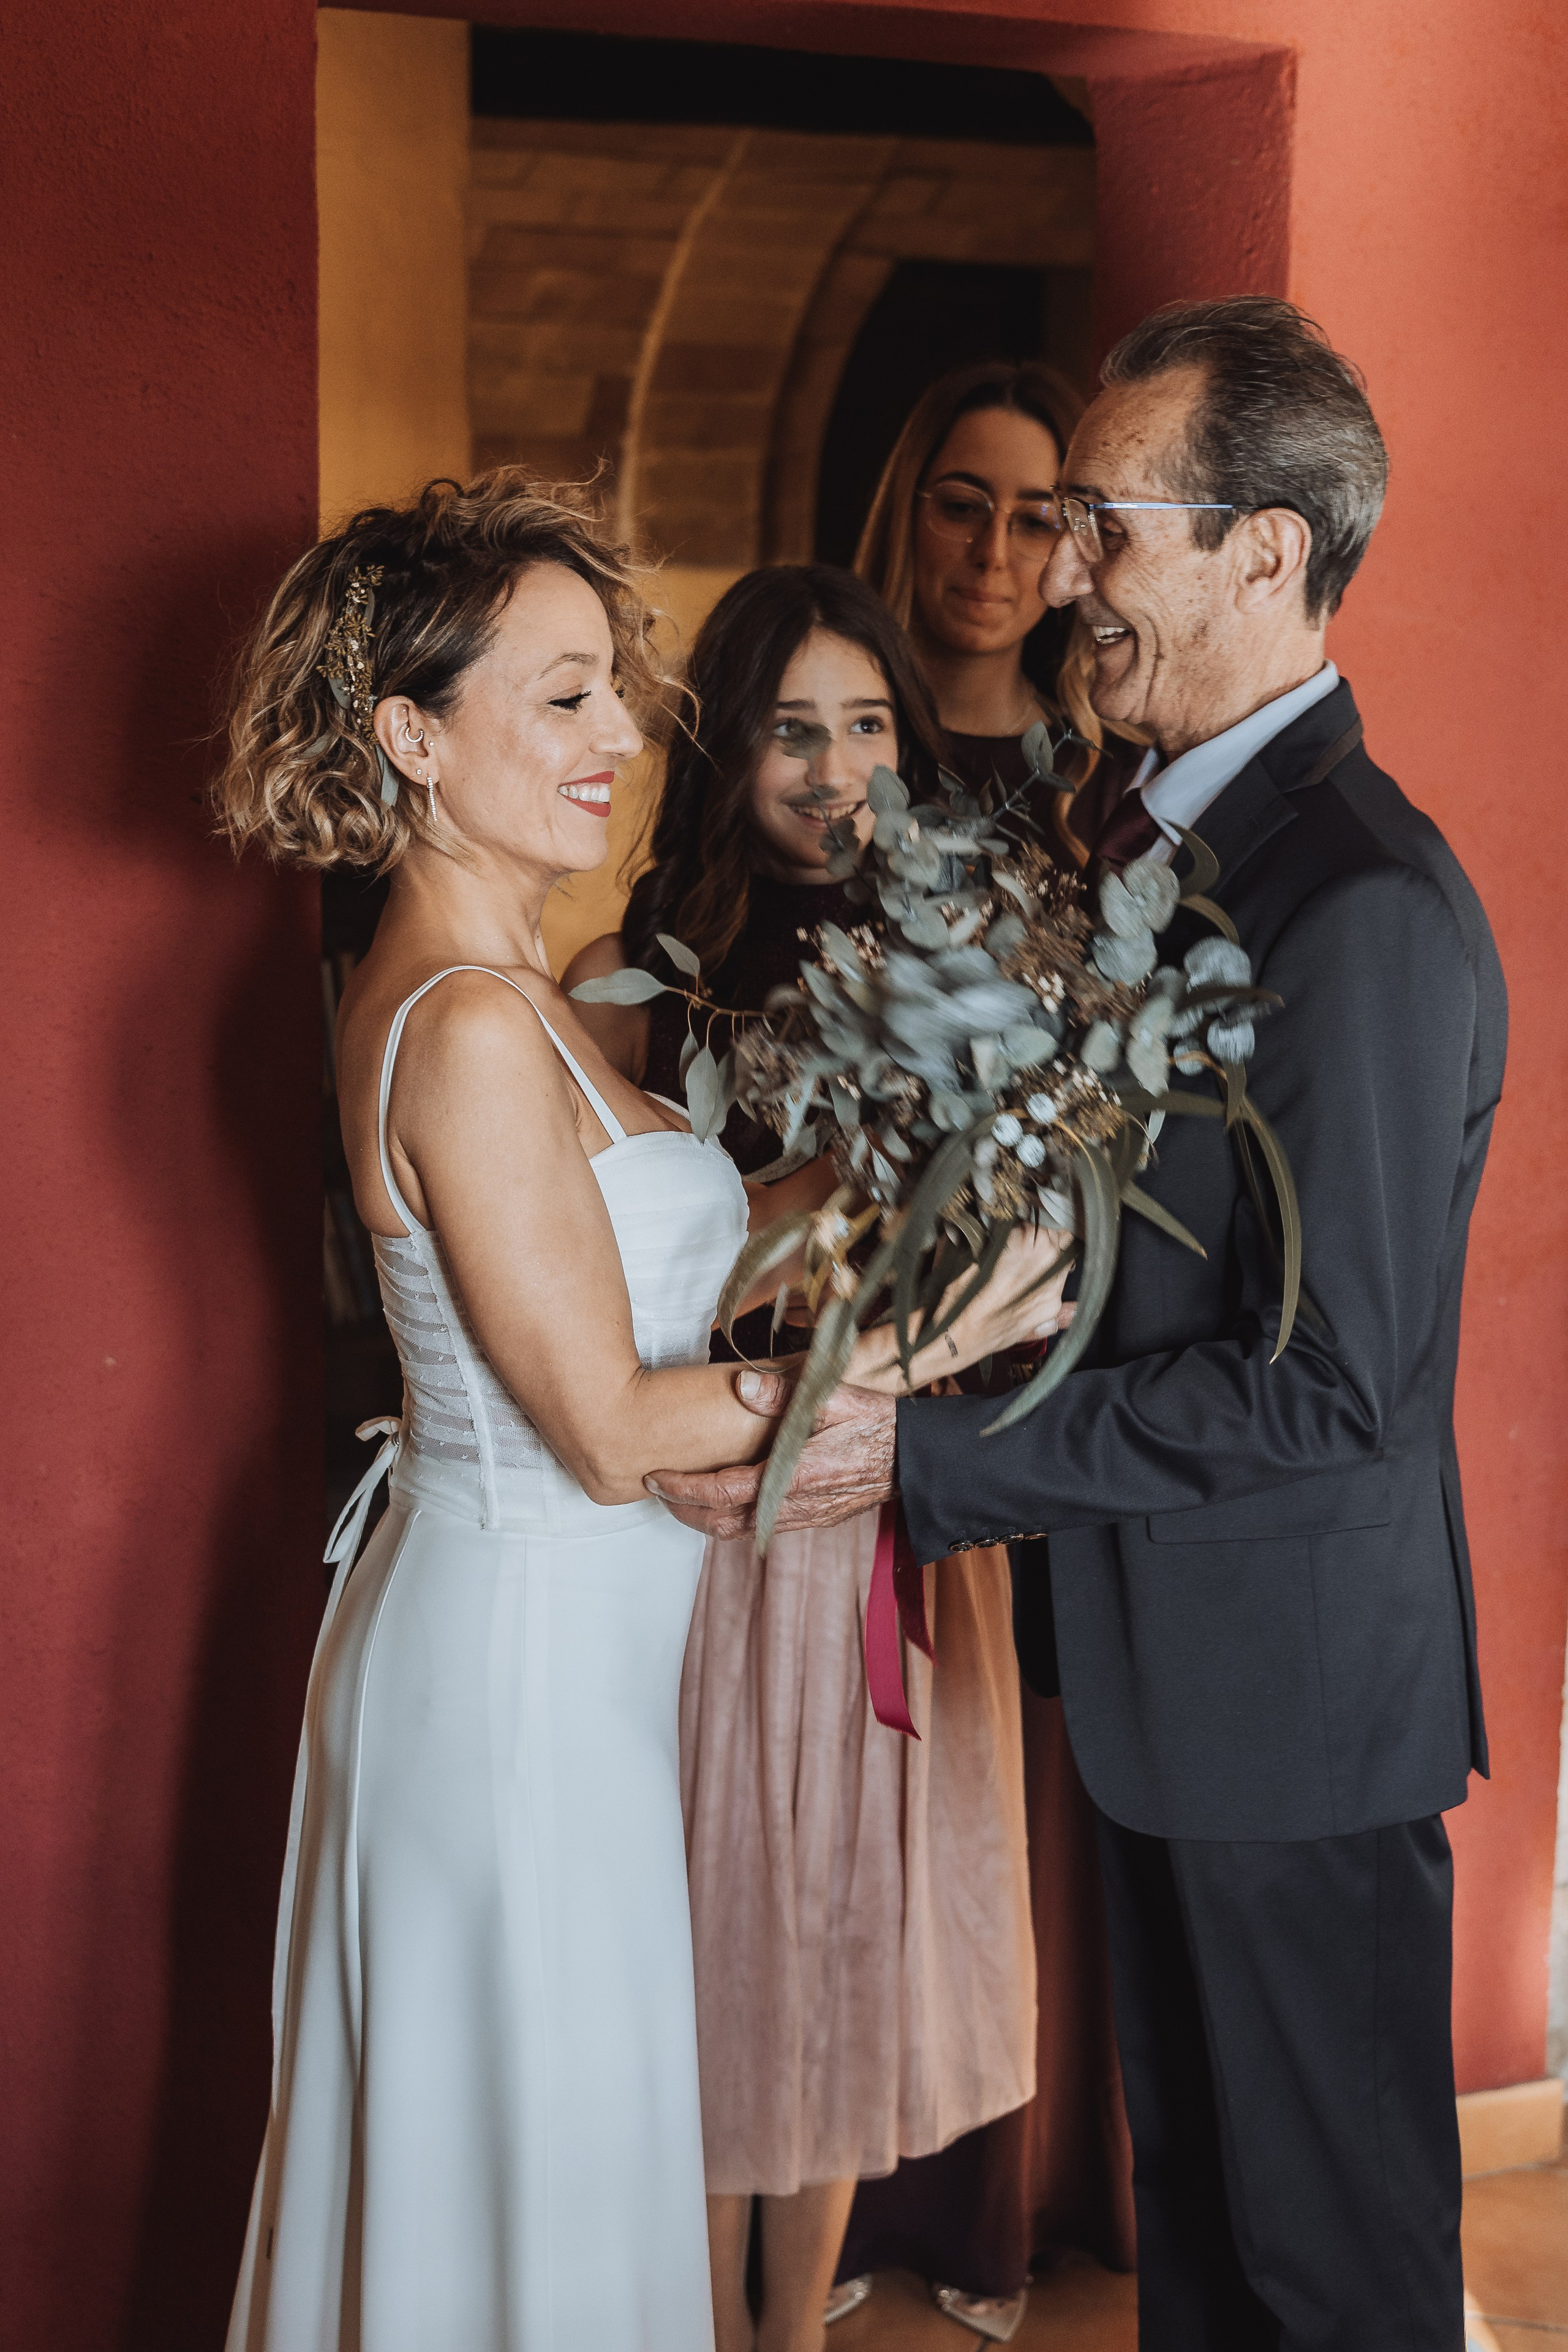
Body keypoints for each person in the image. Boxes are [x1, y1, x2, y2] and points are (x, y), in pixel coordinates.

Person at [650, 298, 1509, 2352]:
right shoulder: (1163, 855)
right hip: (1178, 1694)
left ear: (1263, 553)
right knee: (1207, 2269)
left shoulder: (1356, 899)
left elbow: (1328, 1385)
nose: (1064, 574)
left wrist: (935, 1459)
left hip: (1297, 1713)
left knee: (1330, 2283)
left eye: (1108, 524)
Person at [213, 475, 1070, 2352]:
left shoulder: (507, 989)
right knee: (522, 2172)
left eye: (618, 688)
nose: (625, 735)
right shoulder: (456, 1018)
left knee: (565, 2166)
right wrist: (909, 1355)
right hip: (515, 1673)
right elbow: (604, 1419)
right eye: (564, 696)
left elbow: (621, 1255)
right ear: (411, 737)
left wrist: (879, 1188)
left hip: (584, 1661)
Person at [565, 563, 1042, 2352]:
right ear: (726, 746)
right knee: (709, 1929)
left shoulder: (964, 970)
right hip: (706, 1515)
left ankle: (789, 2329)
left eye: (863, 725)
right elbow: (592, 1258)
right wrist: (801, 1205)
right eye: (791, 729)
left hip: (883, 1509)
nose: (834, 768)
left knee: (840, 1932)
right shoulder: (643, 970)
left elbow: (1002, 1259)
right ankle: (690, 2320)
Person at [854, 359, 1127, 839]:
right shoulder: (824, 744)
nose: (992, 554)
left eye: (1036, 522)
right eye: (961, 508)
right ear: (906, 514)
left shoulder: (1110, 777)